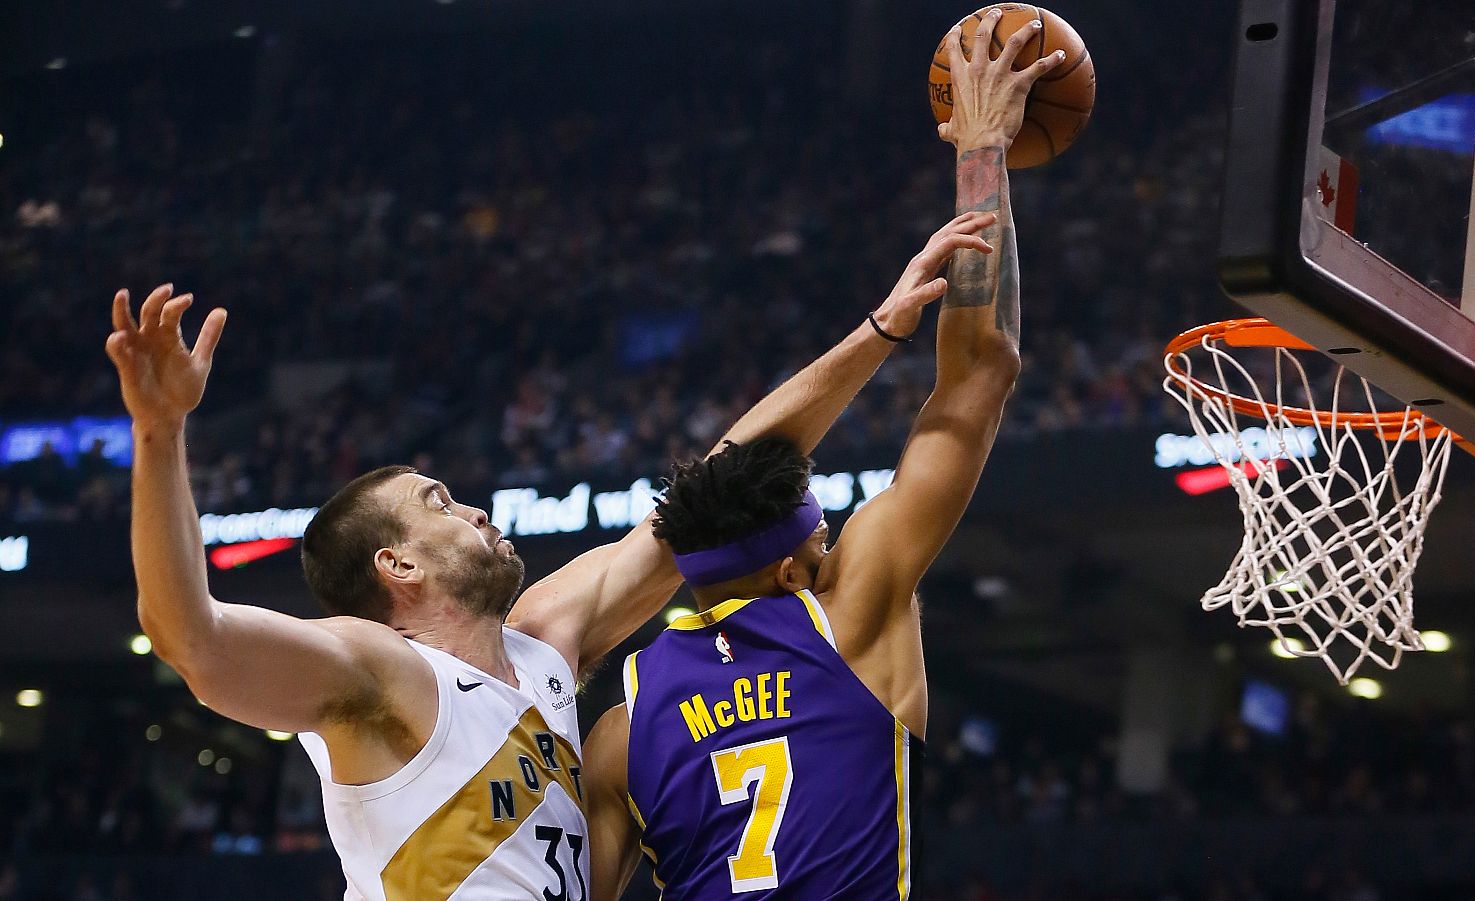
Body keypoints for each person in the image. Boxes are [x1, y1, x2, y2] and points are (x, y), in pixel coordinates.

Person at [103, 210, 992, 899]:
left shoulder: (544, 645)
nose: (476, 507)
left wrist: (877, 331)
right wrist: (160, 433)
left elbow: (711, 490)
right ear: (398, 568)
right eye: (439, 503)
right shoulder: (378, 672)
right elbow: (193, 637)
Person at [581, 13, 1060, 899]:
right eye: (824, 538)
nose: (834, 546)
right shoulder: (849, 612)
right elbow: (977, 377)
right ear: (794, 569)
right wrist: (983, 148)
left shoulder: (622, 727)